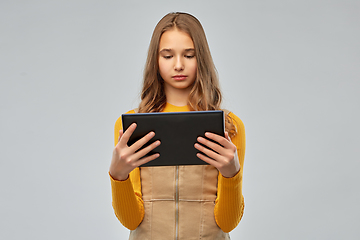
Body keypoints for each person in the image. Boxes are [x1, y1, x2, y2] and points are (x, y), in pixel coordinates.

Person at [109, 12, 246, 240]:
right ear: (156, 60)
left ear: (200, 58)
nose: (179, 65)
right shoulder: (132, 127)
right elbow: (132, 221)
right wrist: (118, 176)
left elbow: (227, 223)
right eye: (168, 55)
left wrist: (232, 174)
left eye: (189, 55)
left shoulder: (229, 127)